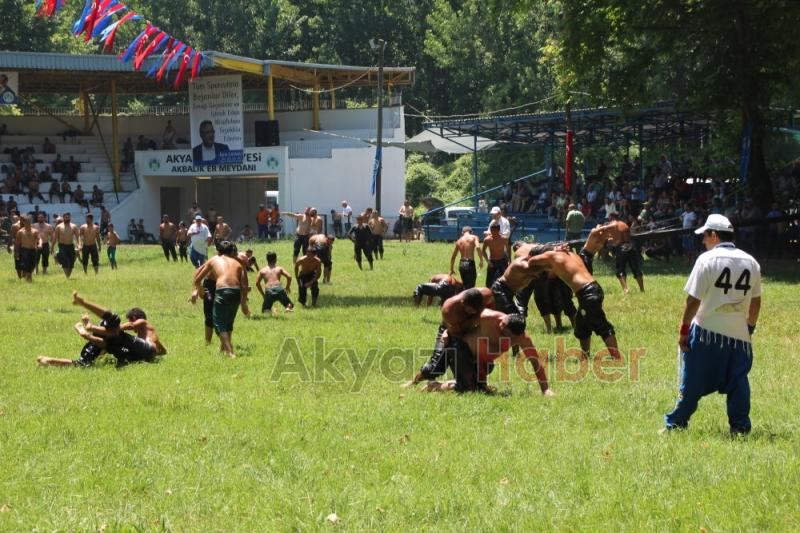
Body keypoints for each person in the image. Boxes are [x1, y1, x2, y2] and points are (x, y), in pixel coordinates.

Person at [662, 214, 761, 436]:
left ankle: (676, 423)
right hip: (739, 334)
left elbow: (693, 301)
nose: (703, 241)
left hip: (707, 330)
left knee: (693, 379)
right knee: (738, 382)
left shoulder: (706, 260)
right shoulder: (751, 262)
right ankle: (740, 427)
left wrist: (684, 330)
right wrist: (750, 329)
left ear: (714, 235)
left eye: (705, 236)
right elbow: (756, 302)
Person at [422, 310, 553, 395]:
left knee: (480, 389)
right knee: (469, 390)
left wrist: (545, 389)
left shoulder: (523, 339)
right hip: (460, 348)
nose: (500, 325)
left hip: (482, 361)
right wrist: (447, 331)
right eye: (501, 322)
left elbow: (535, 362)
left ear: (513, 335)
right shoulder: (487, 317)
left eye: (504, 329)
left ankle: (472, 384)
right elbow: (460, 318)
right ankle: (433, 385)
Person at [528, 247, 620, 360]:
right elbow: (553, 275)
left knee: (602, 326)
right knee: (582, 326)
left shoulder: (550, 256)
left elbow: (531, 262)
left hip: (587, 294)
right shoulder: (571, 255)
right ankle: (584, 357)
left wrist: (538, 260)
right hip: (593, 289)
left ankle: (617, 358)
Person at [37, 292, 166, 368]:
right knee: (89, 361)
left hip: (145, 351)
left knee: (114, 322)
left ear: (134, 318)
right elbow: (163, 350)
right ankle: (48, 360)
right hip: (142, 356)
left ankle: (86, 320)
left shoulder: (143, 321)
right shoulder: (151, 336)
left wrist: (105, 329)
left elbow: (130, 326)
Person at [403, 288, 494, 389]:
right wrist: (448, 332)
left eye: (476, 310)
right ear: (463, 303)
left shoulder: (487, 295)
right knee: (435, 367)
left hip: (472, 330)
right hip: (451, 331)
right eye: (470, 310)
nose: (473, 313)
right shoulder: (449, 309)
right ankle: (414, 382)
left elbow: (491, 315)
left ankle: (478, 384)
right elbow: (460, 337)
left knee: (485, 362)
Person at [191, 241, 250, 357]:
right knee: (228, 323)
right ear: (232, 252)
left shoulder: (214, 260)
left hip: (222, 290)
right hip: (236, 292)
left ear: (218, 251)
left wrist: (200, 290)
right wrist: (243, 303)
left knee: (218, 324)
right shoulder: (238, 263)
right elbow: (244, 286)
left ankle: (230, 351)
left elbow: (197, 280)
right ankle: (224, 348)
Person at [600, 213, 644, 294]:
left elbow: (604, 232)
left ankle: (625, 289)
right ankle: (642, 290)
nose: (609, 220)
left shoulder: (612, 224)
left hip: (621, 249)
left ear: (612, 217)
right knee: (636, 269)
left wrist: (600, 228)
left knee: (620, 270)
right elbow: (626, 237)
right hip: (631, 247)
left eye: (609, 218)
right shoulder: (624, 224)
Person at [256, 251, 294, 316]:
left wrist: (263, 294)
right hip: (279, 289)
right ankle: (288, 308)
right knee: (289, 304)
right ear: (275, 259)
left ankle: (269, 311)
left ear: (267, 259)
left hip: (269, 290)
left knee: (265, 310)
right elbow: (289, 277)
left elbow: (257, 283)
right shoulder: (279, 268)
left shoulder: (262, 270)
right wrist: (287, 287)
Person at [53, 212, 80, 278]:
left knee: (71, 262)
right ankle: (67, 276)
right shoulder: (59, 227)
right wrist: (52, 247)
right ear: (63, 218)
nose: (67, 218)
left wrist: (79, 245)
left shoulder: (74, 226)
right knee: (64, 260)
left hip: (70, 245)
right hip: (62, 246)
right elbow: (55, 238)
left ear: (70, 217)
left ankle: (68, 275)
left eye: (68, 217)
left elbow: (78, 237)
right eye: (65, 217)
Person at [481, 223, 509, 287]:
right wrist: (488, 261)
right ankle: (488, 292)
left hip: (502, 261)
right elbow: (483, 251)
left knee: (504, 279)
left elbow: (507, 250)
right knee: (489, 281)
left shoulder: (504, 239)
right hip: (492, 261)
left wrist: (508, 260)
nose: (492, 232)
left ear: (498, 230)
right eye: (491, 230)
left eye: (494, 231)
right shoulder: (487, 240)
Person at [14, 215, 38, 282]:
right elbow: (17, 243)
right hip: (25, 250)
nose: (28, 223)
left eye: (29, 222)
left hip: (33, 250)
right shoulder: (20, 232)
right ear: (24, 223)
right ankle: (29, 279)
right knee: (27, 264)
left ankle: (27, 276)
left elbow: (38, 239)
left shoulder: (35, 231)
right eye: (27, 222)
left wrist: (40, 244)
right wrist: (16, 253)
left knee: (32, 265)